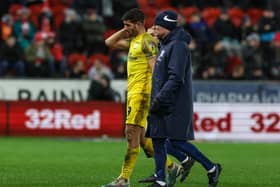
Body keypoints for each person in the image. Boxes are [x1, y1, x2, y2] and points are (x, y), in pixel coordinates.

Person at [102, 8, 182, 187]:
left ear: (139, 24)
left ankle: (123, 179)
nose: (125, 28)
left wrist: (159, 94)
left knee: (130, 134)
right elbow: (109, 42)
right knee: (143, 140)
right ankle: (171, 167)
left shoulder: (147, 42)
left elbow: (156, 69)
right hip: (133, 92)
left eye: (128, 25)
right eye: (124, 25)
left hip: (142, 94)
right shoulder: (135, 41)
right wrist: (125, 29)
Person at [145, 10, 222, 187]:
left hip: (173, 102)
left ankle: (211, 167)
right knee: (157, 138)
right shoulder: (165, 45)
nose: (154, 30)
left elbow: (176, 77)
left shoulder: (178, 46)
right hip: (161, 99)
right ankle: (160, 180)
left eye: (157, 27)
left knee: (176, 140)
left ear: (168, 27)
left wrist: (161, 97)